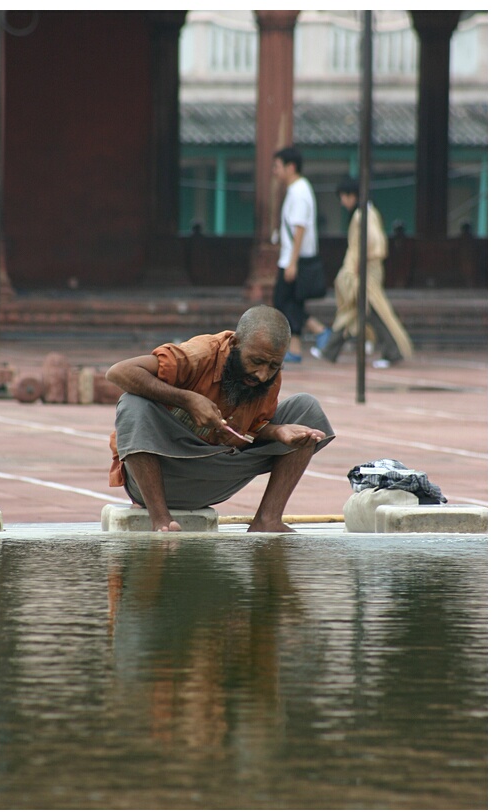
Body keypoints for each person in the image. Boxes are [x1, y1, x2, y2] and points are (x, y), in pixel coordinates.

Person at [106, 305, 335, 533]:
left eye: (274, 366)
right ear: (234, 343)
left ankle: (267, 520)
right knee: (133, 403)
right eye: (255, 361)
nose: (262, 374)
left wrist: (277, 432)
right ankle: (162, 521)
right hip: (165, 477)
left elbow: (248, 431)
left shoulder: (267, 376)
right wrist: (187, 400)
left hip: (219, 473)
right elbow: (118, 372)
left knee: (307, 409)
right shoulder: (199, 353)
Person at [311, 176, 413, 368]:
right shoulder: (366, 212)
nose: (342, 201)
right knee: (355, 311)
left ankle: (392, 352)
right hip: (363, 270)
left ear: (352, 195)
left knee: (372, 311)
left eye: (343, 196)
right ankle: (329, 351)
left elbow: (373, 242)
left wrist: (360, 262)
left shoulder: (362, 214)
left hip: (365, 271)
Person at [272, 146, 331, 364]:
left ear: (291, 167)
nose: (275, 171)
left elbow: (299, 228)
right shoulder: (296, 189)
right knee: (290, 303)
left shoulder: (299, 191)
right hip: (292, 257)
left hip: (295, 258)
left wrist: (292, 262)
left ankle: (318, 331)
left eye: (277, 166)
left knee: (283, 301)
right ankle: (302, 344)